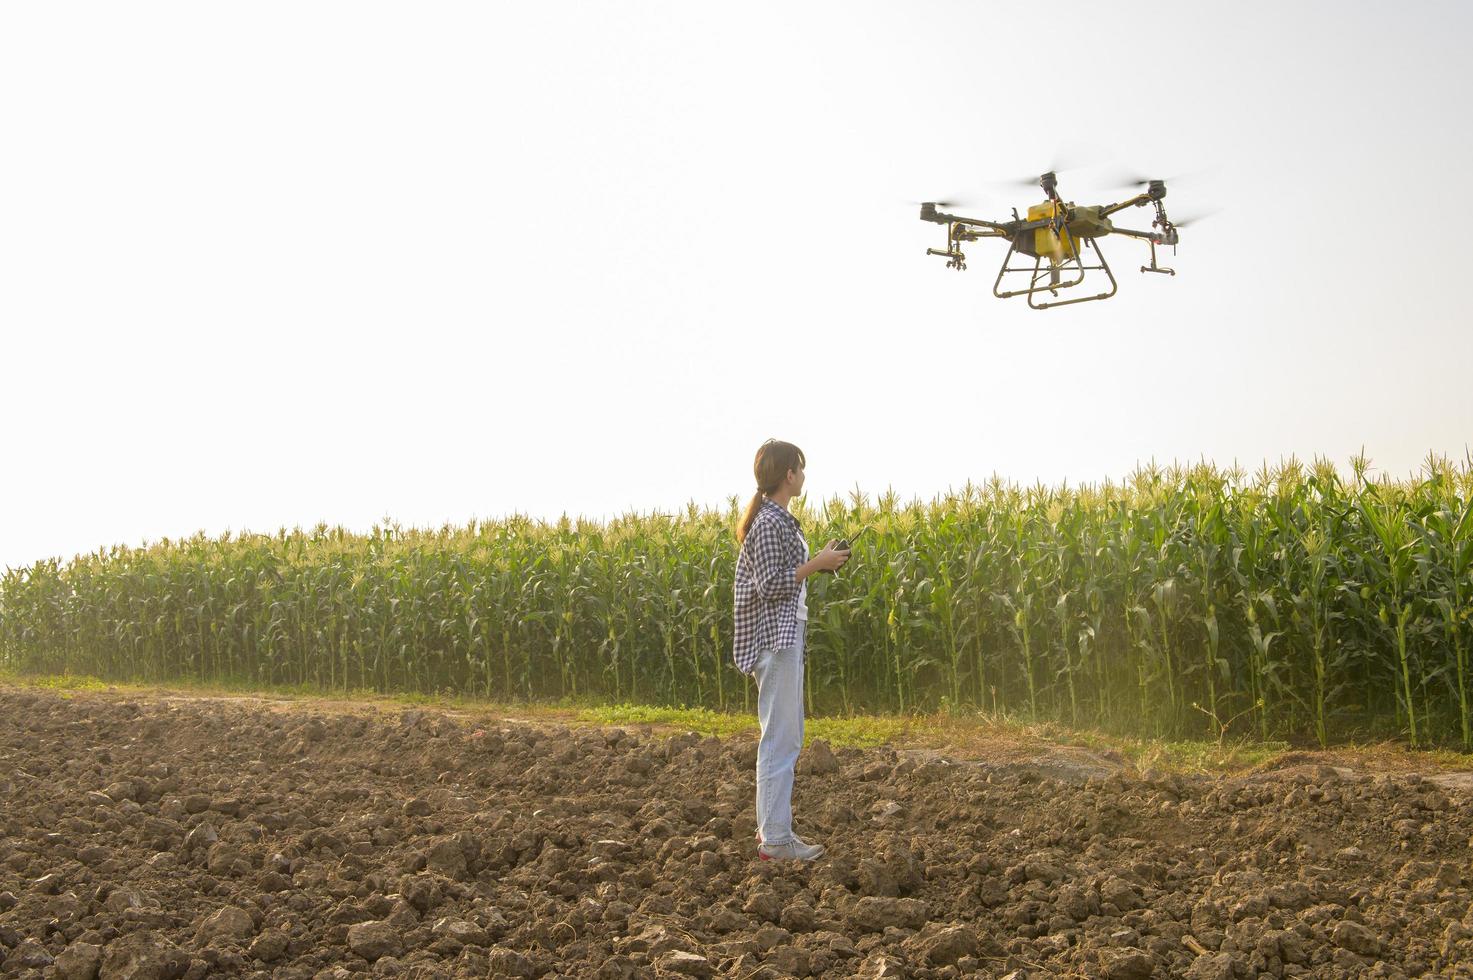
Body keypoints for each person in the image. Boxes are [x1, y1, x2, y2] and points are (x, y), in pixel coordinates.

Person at [732, 439, 849, 861]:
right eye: (800, 468)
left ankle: (774, 835)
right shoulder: (766, 523)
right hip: (774, 640)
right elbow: (772, 585)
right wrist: (818, 563)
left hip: (786, 636)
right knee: (780, 739)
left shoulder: (779, 519)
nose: (803, 476)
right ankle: (776, 840)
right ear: (788, 474)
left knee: (787, 736)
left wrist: (822, 562)